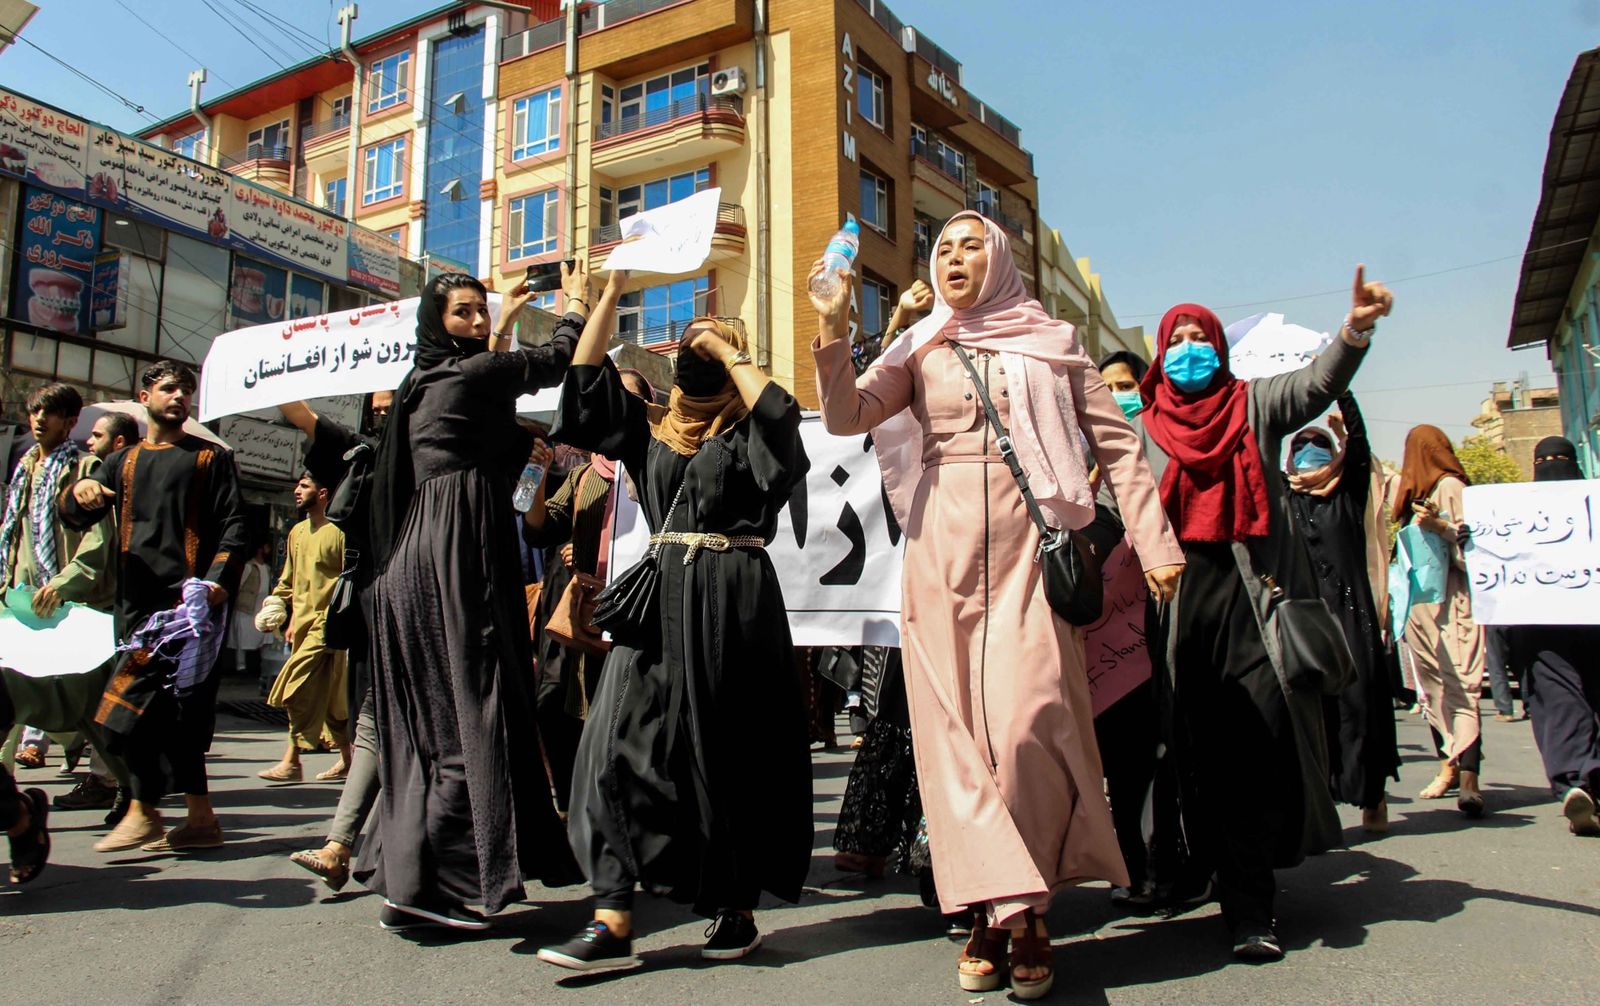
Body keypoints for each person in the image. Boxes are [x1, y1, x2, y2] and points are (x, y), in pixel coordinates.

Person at [810, 212, 1183, 1000]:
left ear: (1001, 259)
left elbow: (1117, 447)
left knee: (1026, 730)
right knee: (957, 746)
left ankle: (1026, 898)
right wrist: (834, 321)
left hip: (1031, 550)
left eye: (969, 244)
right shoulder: (919, 346)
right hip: (939, 555)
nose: (952, 257)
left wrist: (1155, 544)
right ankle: (1000, 914)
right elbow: (846, 418)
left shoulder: (1055, 343)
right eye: (942, 247)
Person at [537, 268, 812, 973]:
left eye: (710, 348)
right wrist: (607, 292)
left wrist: (729, 352)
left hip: (736, 600)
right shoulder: (651, 428)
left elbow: (783, 428)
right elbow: (585, 375)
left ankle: (736, 906)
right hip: (657, 596)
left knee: (727, 755)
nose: (695, 348)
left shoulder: (752, 427)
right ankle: (612, 914)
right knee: (610, 741)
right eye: (692, 346)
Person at [1129, 270, 1392, 962]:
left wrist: (1356, 329)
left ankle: (1251, 907)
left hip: (1253, 601)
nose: (1190, 350)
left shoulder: (1251, 405)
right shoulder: (1139, 429)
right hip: (1179, 613)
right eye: (1177, 340)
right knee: (1193, 751)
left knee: (1254, 748)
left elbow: (1316, 385)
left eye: (1201, 339)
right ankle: (1201, 870)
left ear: (1220, 347)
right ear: (1161, 353)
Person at [356, 272, 581, 931]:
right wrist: (581, 302)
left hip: (421, 562)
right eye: (464, 314)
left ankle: (408, 876)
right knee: (468, 713)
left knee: (436, 724)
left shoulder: (425, 387)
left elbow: (526, 498)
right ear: (437, 321)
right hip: (453, 562)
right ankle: (447, 883)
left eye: (481, 314)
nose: (478, 323)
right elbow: (554, 361)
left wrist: (503, 319)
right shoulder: (466, 379)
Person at [61, 360, 248, 853]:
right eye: (168, 389)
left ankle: (144, 810)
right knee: (170, 720)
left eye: (186, 390)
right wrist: (79, 493)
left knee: (118, 715)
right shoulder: (121, 462)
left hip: (185, 614)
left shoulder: (210, 458)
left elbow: (235, 525)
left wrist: (215, 584)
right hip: (135, 609)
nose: (179, 397)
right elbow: (78, 511)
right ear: (144, 397)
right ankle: (201, 819)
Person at [521, 372, 653, 810]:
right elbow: (541, 527)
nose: (620, 407)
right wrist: (537, 479)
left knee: (622, 717)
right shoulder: (584, 476)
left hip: (638, 616)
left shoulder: (659, 464)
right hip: (583, 615)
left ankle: (616, 811)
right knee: (554, 708)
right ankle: (571, 804)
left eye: (631, 398)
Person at [1088, 350, 1189, 911]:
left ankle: (1169, 860)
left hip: (1168, 633)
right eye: (1106, 387)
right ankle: (1129, 863)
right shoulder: (1082, 465)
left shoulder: (1168, 455)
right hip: (1111, 649)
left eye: (1127, 385)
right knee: (1124, 762)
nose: (1118, 395)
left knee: (1161, 758)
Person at [278, 392, 388, 893]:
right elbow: (304, 419)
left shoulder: (445, 448)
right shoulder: (359, 455)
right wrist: (278, 371)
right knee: (372, 720)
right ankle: (339, 845)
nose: (386, 416)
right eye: (378, 409)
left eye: (395, 405)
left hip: (439, 611)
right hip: (372, 614)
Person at [0, 385, 123, 811]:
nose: (39, 420)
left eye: (49, 414)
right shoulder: (26, 467)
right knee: (9, 690)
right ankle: (5, 787)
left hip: (71, 605)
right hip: (23, 602)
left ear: (70, 422)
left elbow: (97, 540)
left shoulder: (85, 468)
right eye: (35, 412)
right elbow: (17, 532)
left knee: (85, 701)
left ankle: (128, 788)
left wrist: (64, 584)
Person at [1283, 395, 1401, 832]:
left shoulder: (1346, 495)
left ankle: (1372, 795)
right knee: (1316, 712)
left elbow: (1362, 448)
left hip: (1352, 617)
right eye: (1301, 445)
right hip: (1306, 621)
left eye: (1319, 444)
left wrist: (1344, 397)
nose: (1310, 451)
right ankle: (1322, 802)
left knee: (1361, 706)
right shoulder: (1286, 496)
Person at [1506, 437, 1600, 835]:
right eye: (1544, 461)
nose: (1551, 466)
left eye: (1557, 460)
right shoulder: (1514, 514)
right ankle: (1585, 781)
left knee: (1559, 706)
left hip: (1544, 630)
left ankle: (1575, 780)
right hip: (1554, 625)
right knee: (1571, 703)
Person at [1392, 425, 1486, 817]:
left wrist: (1439, 527)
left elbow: (1477, 551)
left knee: (1462, 687)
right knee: (1433, 691)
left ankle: (1470, 780)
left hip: (1453, 606)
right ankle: (1448, 765)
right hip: (1422, 612)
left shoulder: (1450, 487)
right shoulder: (1417, 495)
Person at [256, 471, 350, 783]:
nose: (297, 491)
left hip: (330, 629)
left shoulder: (340, 532)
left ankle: (291, 760)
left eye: (304, 486)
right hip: (304, 629)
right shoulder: (296, 533)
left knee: (294, 688)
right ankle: (348, 759)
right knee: (331, 701)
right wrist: (277, 608)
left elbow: (349, 581)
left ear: (323, 493)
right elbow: (287, 582)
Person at [226, 543, 273, 687]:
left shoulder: (267, 568)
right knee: (243, 634)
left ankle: (263, 666)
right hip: (248, 605)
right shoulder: (249, 566)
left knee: (265, 635)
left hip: (262, 605)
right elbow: (240, 585)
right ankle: (241, 667)